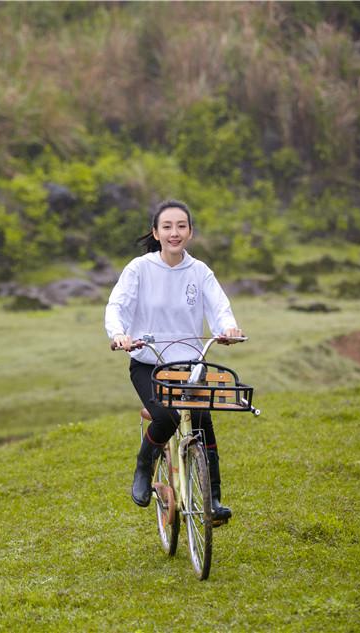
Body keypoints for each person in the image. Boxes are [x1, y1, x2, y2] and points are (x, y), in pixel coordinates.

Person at [104, 199, 243, 522]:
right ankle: (144, 465)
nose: (174, 233)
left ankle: (214, 500)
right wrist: (120, 333)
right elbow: (117, 306)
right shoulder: (139, 269)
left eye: (181, 226)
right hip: (148, 363)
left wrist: (228, 328)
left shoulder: (199, 271)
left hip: (190, 365)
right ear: (156, 232)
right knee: (165, 417)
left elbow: (219, 308)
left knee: (202, 424)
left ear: (190, 232)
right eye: (167, 227)